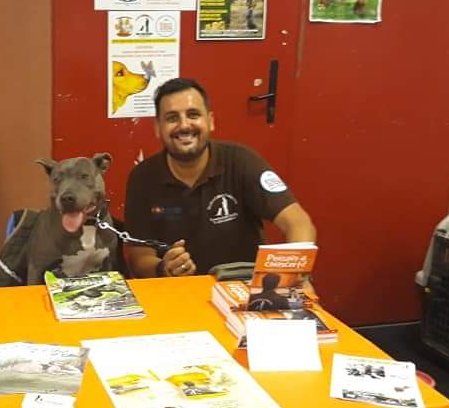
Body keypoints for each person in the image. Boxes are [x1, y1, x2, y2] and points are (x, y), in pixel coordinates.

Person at [124, 78, 315, 278]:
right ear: (157, 127)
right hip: (176, 290)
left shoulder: (242, 161)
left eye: (193, 115)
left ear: (210, 121)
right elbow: (139, 258)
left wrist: (295, 274)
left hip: (241, 288)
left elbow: (298, 222)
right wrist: (164, 268)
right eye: (172, 118)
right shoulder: (142, 178)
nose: (184, 125)